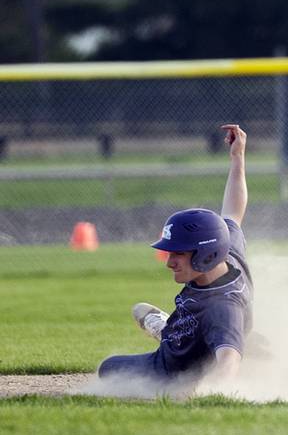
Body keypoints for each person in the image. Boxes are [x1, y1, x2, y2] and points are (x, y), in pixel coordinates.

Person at [97, 124, 253, 389]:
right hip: (204, 333)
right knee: (143, 310)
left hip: (172, 369)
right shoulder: (228, 250)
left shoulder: (223, 308)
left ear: (206, 253)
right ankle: (175, 329)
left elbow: (228, 362)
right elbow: (233, 210)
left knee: (108, 368)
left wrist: (211, 393)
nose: (169, 262)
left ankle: (173, 335)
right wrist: (237, 157)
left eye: (179, 253)